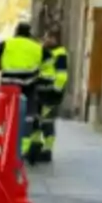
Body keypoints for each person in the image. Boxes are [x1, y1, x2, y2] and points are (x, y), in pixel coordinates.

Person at [0, 22, 45, 160]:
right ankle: (22, 149)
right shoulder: (37, 47)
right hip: (28, 85)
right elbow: (44, 65)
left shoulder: (6, 44)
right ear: (29, 33)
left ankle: (4, 145)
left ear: (16, 32)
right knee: (28, 115)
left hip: (8, 84)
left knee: (5, 114)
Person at [29, 29, 69, 163]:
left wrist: (55, 92)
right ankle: (35, 146)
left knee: (47, 122)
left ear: (55, 39)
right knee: (36, 120)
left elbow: (62, 75)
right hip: (39, 91)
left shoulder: (60, 53)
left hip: (50, 92)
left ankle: (47, 150)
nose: (46, 40)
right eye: (46, 37)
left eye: (49, 38)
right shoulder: (42, 51)